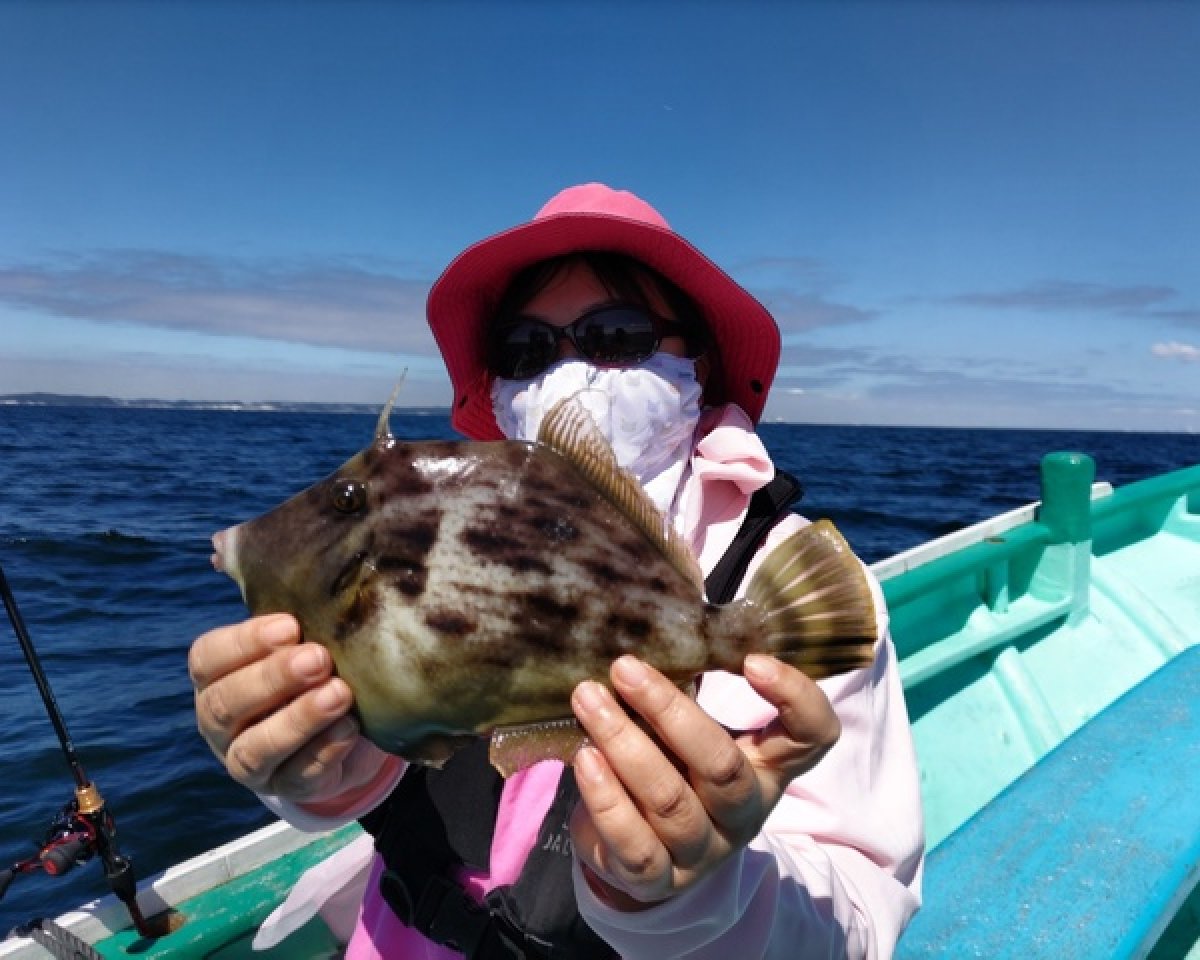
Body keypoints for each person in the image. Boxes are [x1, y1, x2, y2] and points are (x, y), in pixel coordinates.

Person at [188, 183, 924, 959]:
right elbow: (388, 745)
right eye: (525, 350)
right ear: (499, 383)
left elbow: (861, 917)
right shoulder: (446, 532)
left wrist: (699, 896)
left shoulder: (773, 574)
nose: (569, 370)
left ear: (697, 366)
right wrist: (304, 761)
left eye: (617, 334)